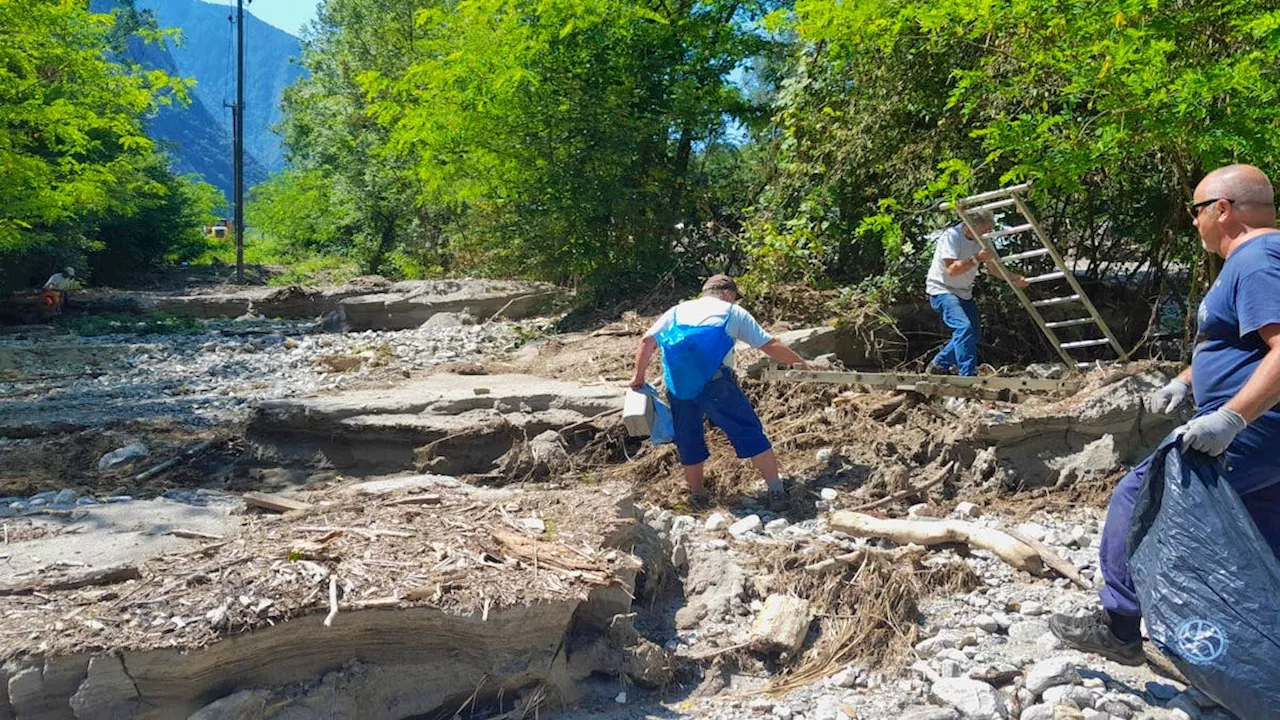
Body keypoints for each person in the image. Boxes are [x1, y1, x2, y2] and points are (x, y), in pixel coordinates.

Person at [1050, 164, 1280, 665]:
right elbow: (1240, 347)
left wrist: (1231, 419)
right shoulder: (1258, 260)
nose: (1193, 222)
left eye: (1196, 211)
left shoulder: (1257, 258)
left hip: (1255, 429)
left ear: (1222, 210)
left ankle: (1119, 626)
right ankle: (1259, 659)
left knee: (1142, 497)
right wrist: (1185, 380)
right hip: (1266, 436)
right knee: (1262, 536)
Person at [629, 275, 808, 510]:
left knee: (688, 438)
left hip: (679, 387)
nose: (734, 302)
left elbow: (647, 341)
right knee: (748, 430)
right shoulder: (731, 312)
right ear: (727, 293)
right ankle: (776, 490)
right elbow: (768, 344)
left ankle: (698, 495)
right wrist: (801, 363)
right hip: (717, 385)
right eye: (734, 297)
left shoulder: (676, 311)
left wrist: (638, 377)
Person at [926, 209, 1028, 376]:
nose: (986, 234)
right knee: (963, 327)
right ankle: (968, 375)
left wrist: (1014, 278)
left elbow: (994, 269)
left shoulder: (984, 241)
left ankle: (939, 364)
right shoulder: (952, 236)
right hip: (942, 289)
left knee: (974, 333)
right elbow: (952, 270)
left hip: (964, 292)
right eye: (984, 230)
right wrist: (977, 258)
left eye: (989, 230)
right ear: (969, 227)